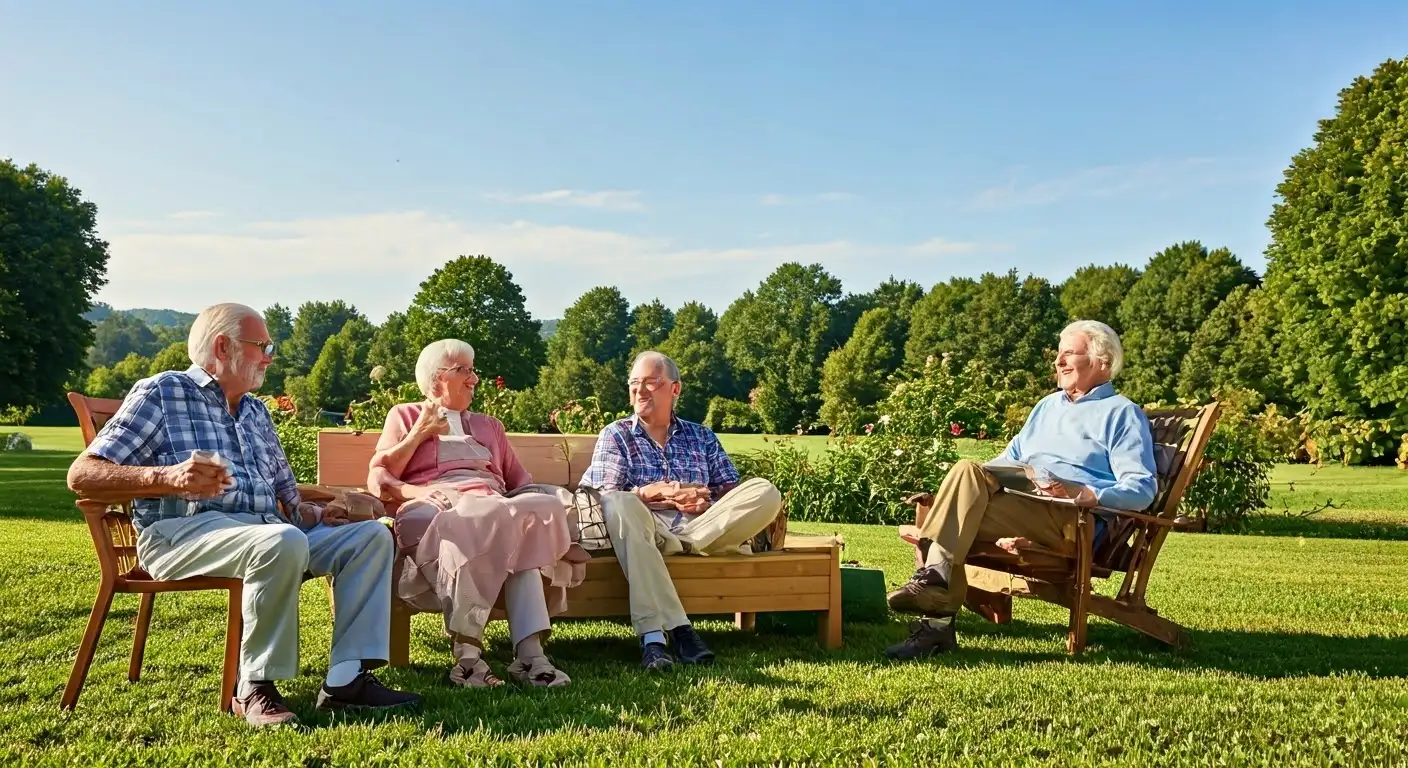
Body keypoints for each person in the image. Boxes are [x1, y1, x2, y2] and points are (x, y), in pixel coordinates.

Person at [66, 303, 420, 728]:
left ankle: (346, 680)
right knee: (280, 541)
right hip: (181, 535)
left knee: (371, 538)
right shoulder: (162, 392)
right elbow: (83, 474)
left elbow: (288, 498)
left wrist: (328, 509)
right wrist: (169, 477)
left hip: (268, 532)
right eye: (263, 346)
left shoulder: (255, 411)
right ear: (223, 346)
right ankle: (254, 685)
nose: (270, 356)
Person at [883, 320, 1158, 660]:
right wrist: (976, 483)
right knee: (968, 473)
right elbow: (1007, 459)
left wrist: (1088, 492)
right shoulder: (1047, 406)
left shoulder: (1121, 414)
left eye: (1070, 353)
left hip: (1069, 520)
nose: (1059, 362)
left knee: (948, 522)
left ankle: (934, 610)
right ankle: (935, 603)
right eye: (1059, 354)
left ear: (1102, 361)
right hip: (1021, 500)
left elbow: (1142, 488)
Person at [368, 339, 586, 688]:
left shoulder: (489, 426)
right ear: (437, 378)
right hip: (434, 507)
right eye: (464, 371)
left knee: (526, 517)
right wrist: (420, 437)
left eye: (473, 370)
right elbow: (379, 479)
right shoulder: (406, 415)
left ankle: (529, 656)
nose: (474, 379)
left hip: (494, 507)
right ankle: (471, 657)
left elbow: (520, 483)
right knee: (487, 523)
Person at [578, 351, 783, 672]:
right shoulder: (616, 434)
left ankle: (686, 547)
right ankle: (662, 635)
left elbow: (731, 489)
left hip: (701, 527)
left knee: (765, 492)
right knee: (620, 503)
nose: (639, 390)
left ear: (674, 389)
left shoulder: (701, 436)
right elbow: (605, 496)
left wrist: (705, 501)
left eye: (650, 382)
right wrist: (654, 492)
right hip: (646, 532)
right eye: (634, 383)